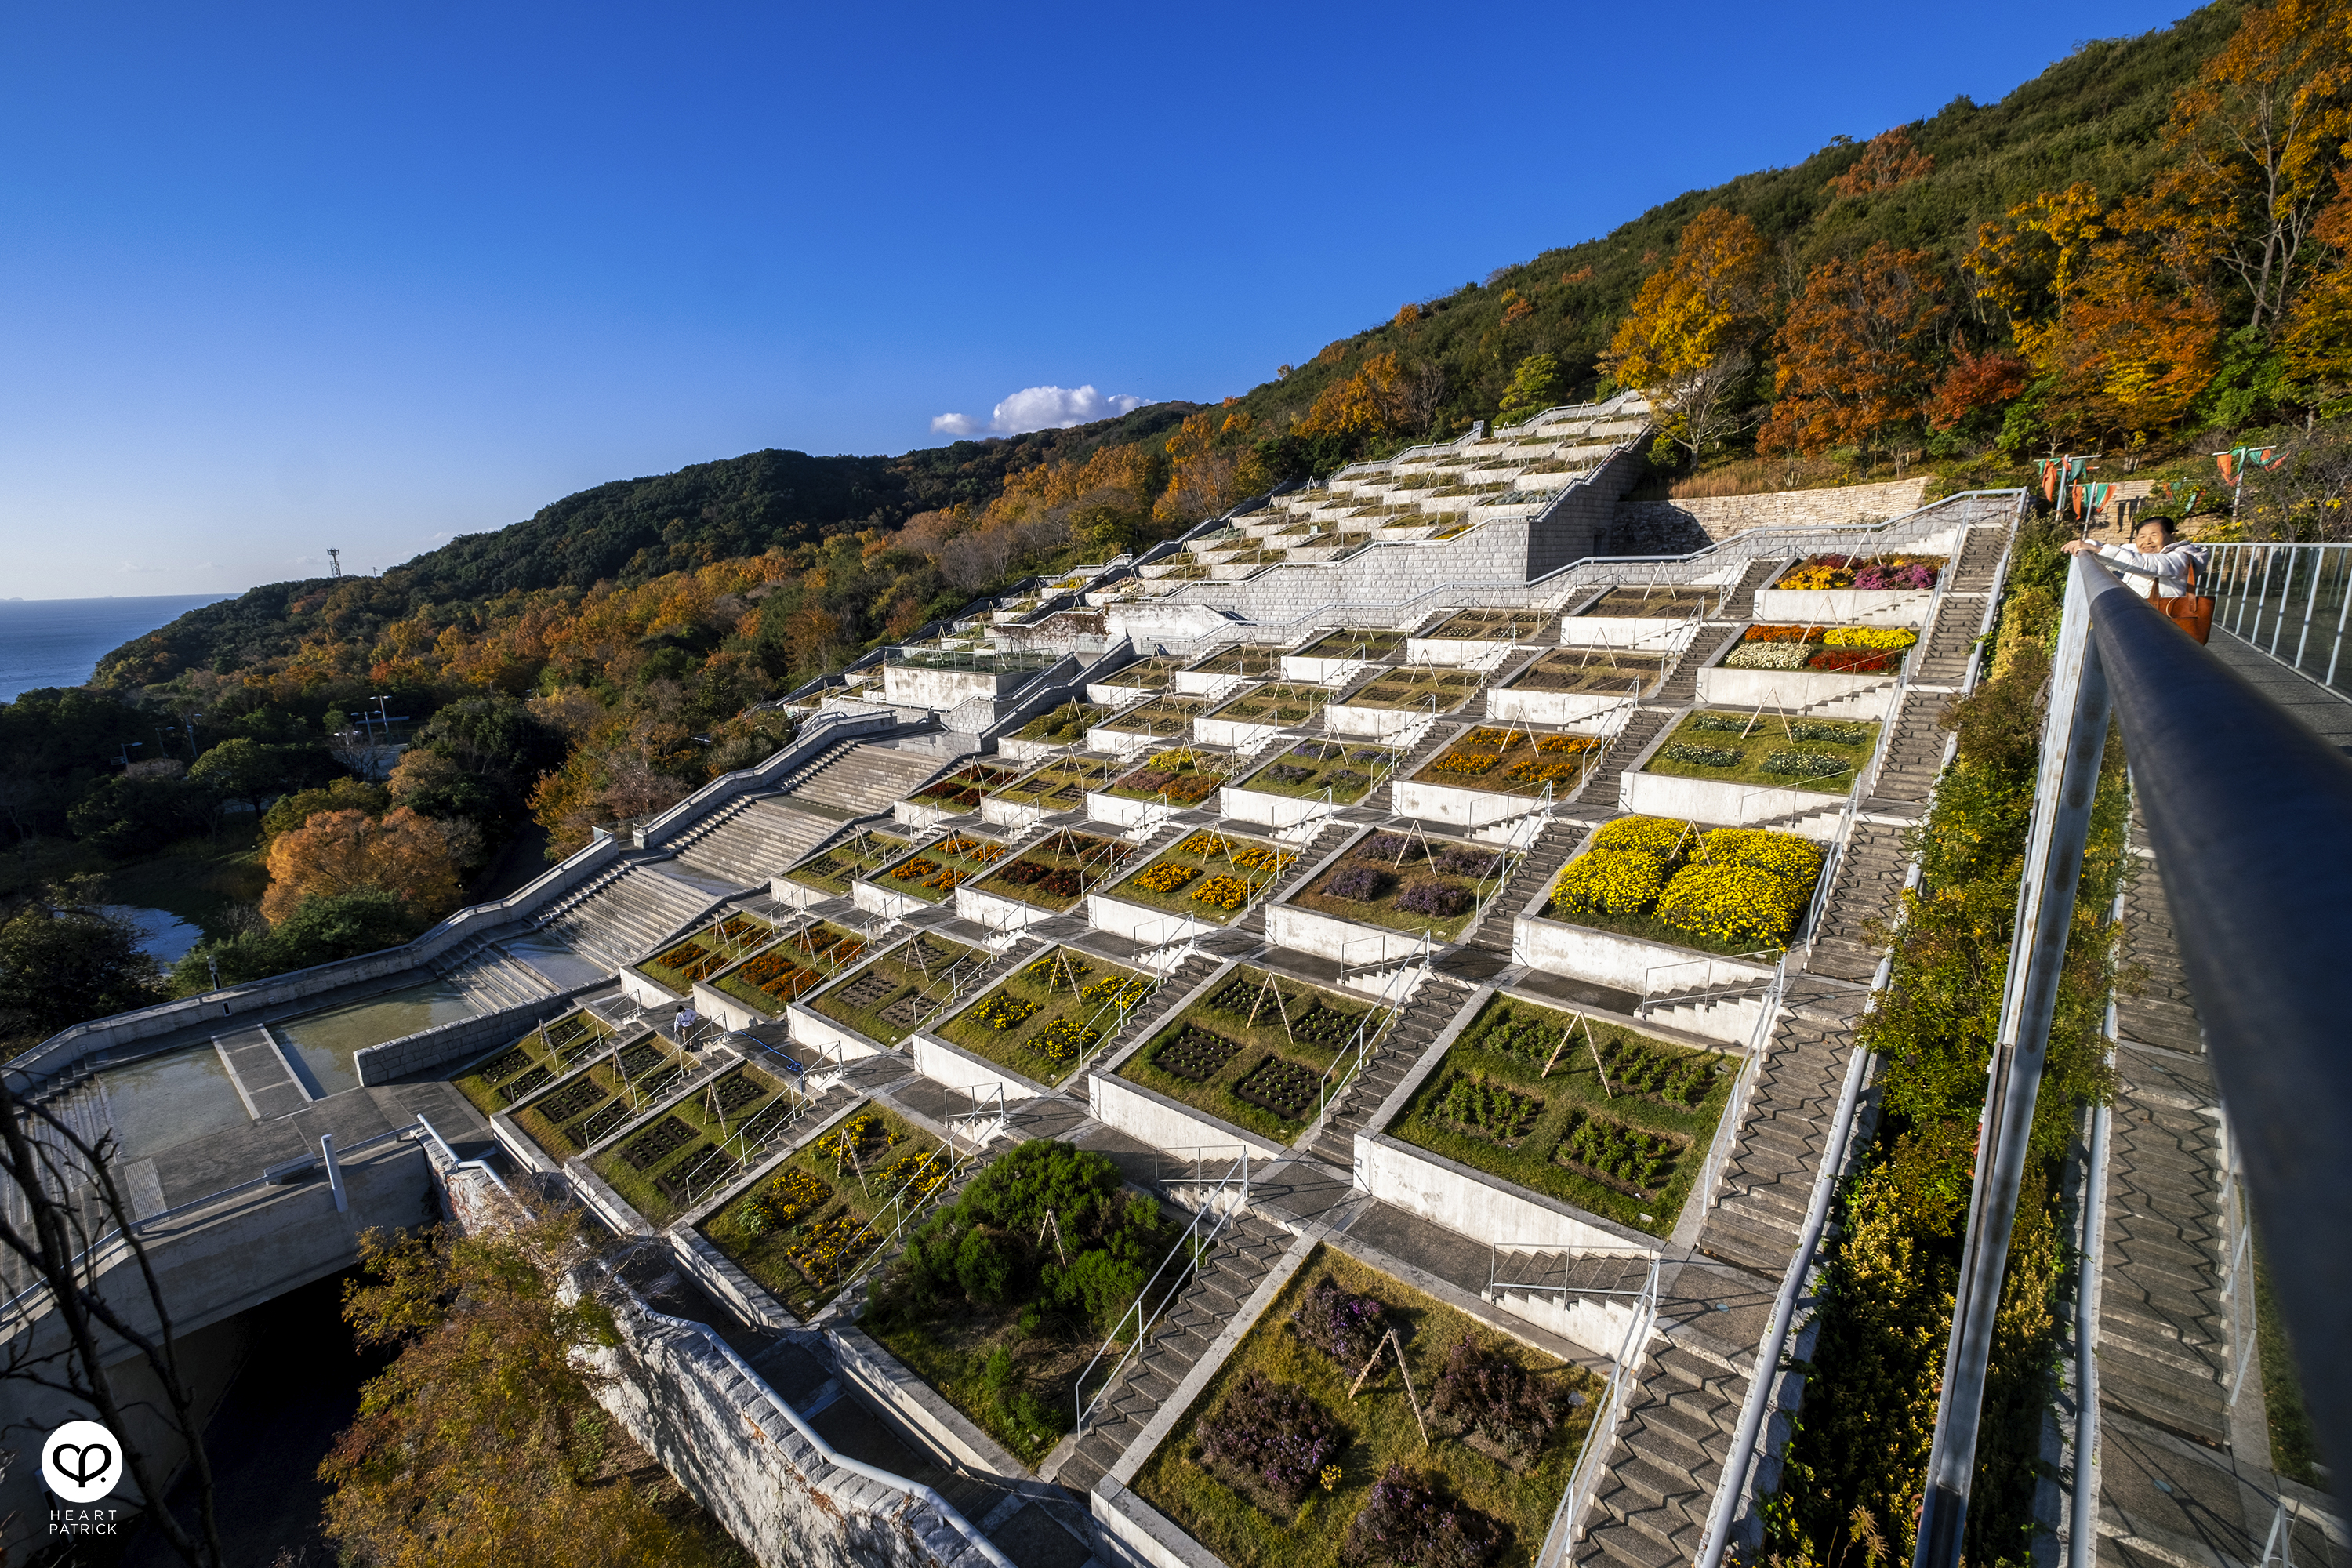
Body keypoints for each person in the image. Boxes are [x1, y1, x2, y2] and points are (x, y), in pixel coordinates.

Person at [2060, 516, 2209, 599]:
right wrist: (2091, 546)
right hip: (2140, 613)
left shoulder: (2183, 557)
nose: (2147, 541)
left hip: (2165, 621)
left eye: (2154, 535)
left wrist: (2097, 549)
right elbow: (2117, 560)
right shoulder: (2137, 554)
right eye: (2142, 536)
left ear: (2171, 536)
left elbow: (2150, 565)